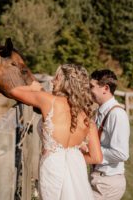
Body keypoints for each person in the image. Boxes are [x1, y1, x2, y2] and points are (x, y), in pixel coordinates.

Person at [9, 64, 103, 200]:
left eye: (56, 78)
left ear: (64, 82)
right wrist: (71, 157)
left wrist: (33, 88)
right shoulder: (87, 116)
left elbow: (13, 91)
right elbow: (96, 158)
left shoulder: (48, 100)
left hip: (52, 166)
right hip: (77, 167)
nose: (52, 81)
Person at [89, 69, 130, 200]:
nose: (89, 91)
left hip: (107, 183)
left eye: (91, 87)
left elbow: (121, 153)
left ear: (105, 88)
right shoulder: (99, 111)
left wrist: (92, 149)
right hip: (99, 179)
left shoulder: (117, 114)